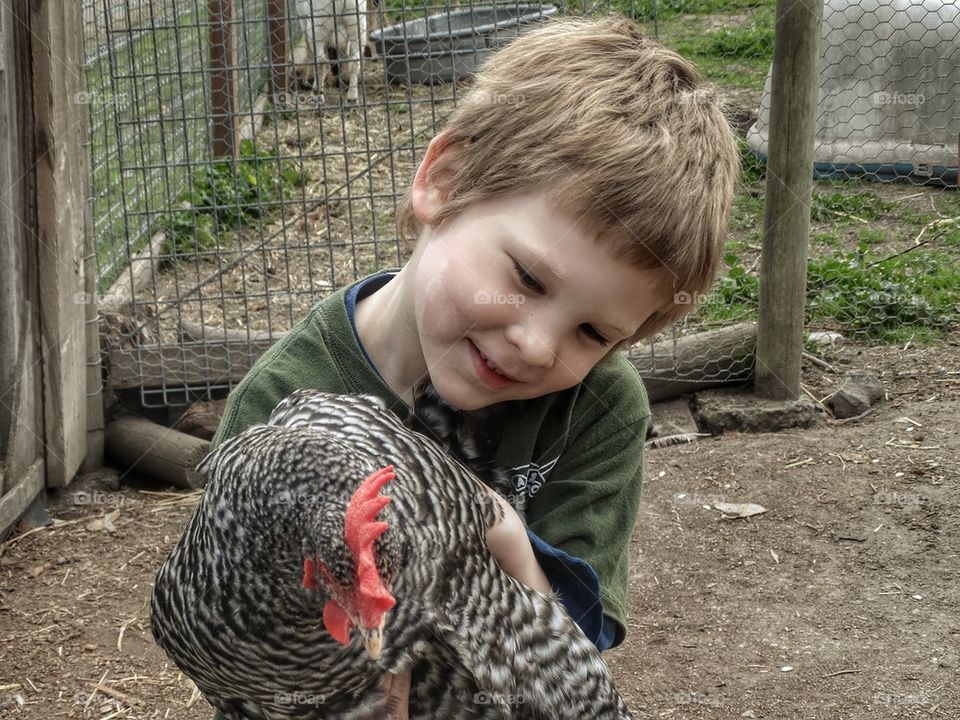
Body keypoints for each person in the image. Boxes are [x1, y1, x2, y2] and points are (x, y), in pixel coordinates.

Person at [207, 13, 738, 719]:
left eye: (590, 332)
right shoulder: (281, 403)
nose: (538, 347)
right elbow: (242, 646)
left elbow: (569, 663)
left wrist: (505, 540)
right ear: (445, 181)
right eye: (527, 278)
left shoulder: (601, 407)